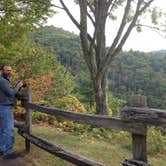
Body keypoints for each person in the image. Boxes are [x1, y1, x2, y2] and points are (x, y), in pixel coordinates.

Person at [0, 65, 23, 159]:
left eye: (10, 70)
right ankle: (8, 153)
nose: (9, 72)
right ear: (2, 71)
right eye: (7, 70)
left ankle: (2, 149)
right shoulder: (2, 81)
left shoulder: (4, 81)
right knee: (9, 130)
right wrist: (18, 86)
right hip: (5, 108)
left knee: (2, 130)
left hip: (2, 107)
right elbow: (10, 93)